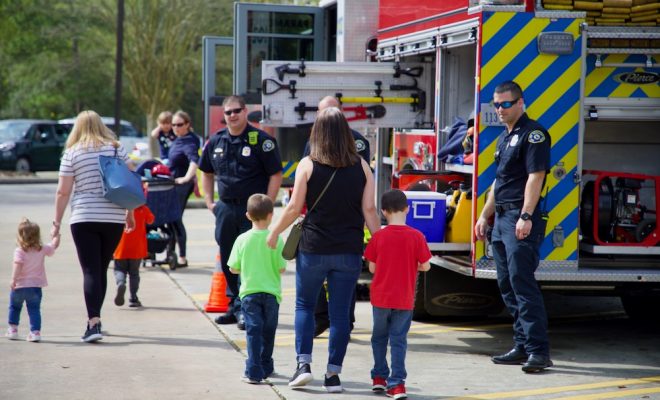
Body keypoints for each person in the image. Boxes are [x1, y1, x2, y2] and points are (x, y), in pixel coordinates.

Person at [266, 107, 380, 393]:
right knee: (340, 315)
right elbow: (369, 209)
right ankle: (333, 375)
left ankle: (303, 365)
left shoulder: (308, 164)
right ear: (345, 132)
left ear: (318, 132)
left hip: (314, 248)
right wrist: (379, 243)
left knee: (304, 306)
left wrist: (274, 232)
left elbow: (294, 208)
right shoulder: (362, 166)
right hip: (348, 251)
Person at [474, 80, 552, 373]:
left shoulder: (534, 135)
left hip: (519, 218)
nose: (500, 109)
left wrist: (527, 216)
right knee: (507, 286)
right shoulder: (504, 138)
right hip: (501, 219)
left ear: (520, 103)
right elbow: (499, 183)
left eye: (505, 104)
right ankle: (521, 346)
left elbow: (536, 176)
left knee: (523, 285)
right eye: (496, 104)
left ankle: (538, 351)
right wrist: (484, 216)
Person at [199, 95, 283, 331]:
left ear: (246, 112)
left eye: (237, 111)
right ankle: (234, 306)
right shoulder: (215, 142)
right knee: (229, 257)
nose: (233, 115)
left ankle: (246, 308)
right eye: (228, 112)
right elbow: (206, 171)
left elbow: (275, 174)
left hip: (253, 210)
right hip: (225, 207)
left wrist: (267, 204)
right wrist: (209, 200)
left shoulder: (260, 140)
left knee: (250, 259)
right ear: (224, 115)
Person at [52, 110, 136, 343]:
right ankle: (96, 319)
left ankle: (93, 322)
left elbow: (63, 191)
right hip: (113, 217)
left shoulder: (72, 153)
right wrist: (130, 212)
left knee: (90, 270)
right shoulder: (116, 148)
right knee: (101, 268)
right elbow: (130, 179)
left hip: (84, 216)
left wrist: (56, 224)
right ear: (101, 125)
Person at [303, 95, 371, 338]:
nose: (328, 116)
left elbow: (363, 188)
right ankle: (321, 320)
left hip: (347, 223)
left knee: (344, 286)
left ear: (341, 113)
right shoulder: (311, 143)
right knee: (319, 285)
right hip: (320, 227)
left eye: (332, 111)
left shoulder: (358, 142)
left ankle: (346, 323)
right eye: (323, 112)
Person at [364, 189, 431, 399]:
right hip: (404, 298)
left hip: (381, 297)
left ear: (383, 212)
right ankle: (397, 384)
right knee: (399, 340)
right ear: (407, 209)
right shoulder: (417, 236)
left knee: (379, 337)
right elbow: (426, 266)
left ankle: (379, 377)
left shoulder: (378, 237)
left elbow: (372, 269)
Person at [227, 194, 286, 384]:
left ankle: (253, 370)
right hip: (272, 294)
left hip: (250, 293)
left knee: (253, 330)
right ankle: (266, 365)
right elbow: (282, 268)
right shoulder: (276, 239)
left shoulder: (242, 240)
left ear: (247, 215)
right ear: (271, 215)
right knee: (269, 331)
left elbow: (233, 268)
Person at [6, 218, 60, 342]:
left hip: (19, 286)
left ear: (20, 236)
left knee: (14, 307)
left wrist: (13, 279)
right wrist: (57, 236)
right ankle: (35, 332)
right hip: (35, 287)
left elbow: (17, 265)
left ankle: (13, 330)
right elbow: (53, 247)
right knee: (34, 310)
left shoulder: (19, 251)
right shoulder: (42, 249)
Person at [168, 110, 201, 267]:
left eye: (179, 124)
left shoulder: (188, 141)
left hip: (181, 185)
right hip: (173, 184)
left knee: (175, 218)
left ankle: (181, 257)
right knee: (171, 218)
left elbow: (194, 160)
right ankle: (171, 252)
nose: (175, 127)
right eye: (173, 124)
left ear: (187, 124)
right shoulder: (180, 138)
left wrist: (188, 178)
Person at [113, 204, 155, 308]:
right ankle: (133, 297)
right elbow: (151, 220)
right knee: (134, 273)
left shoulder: (119, 208)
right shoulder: (143, 209)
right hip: (137, 249)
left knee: (119, 270)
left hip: (120, 248)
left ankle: (121, 283)